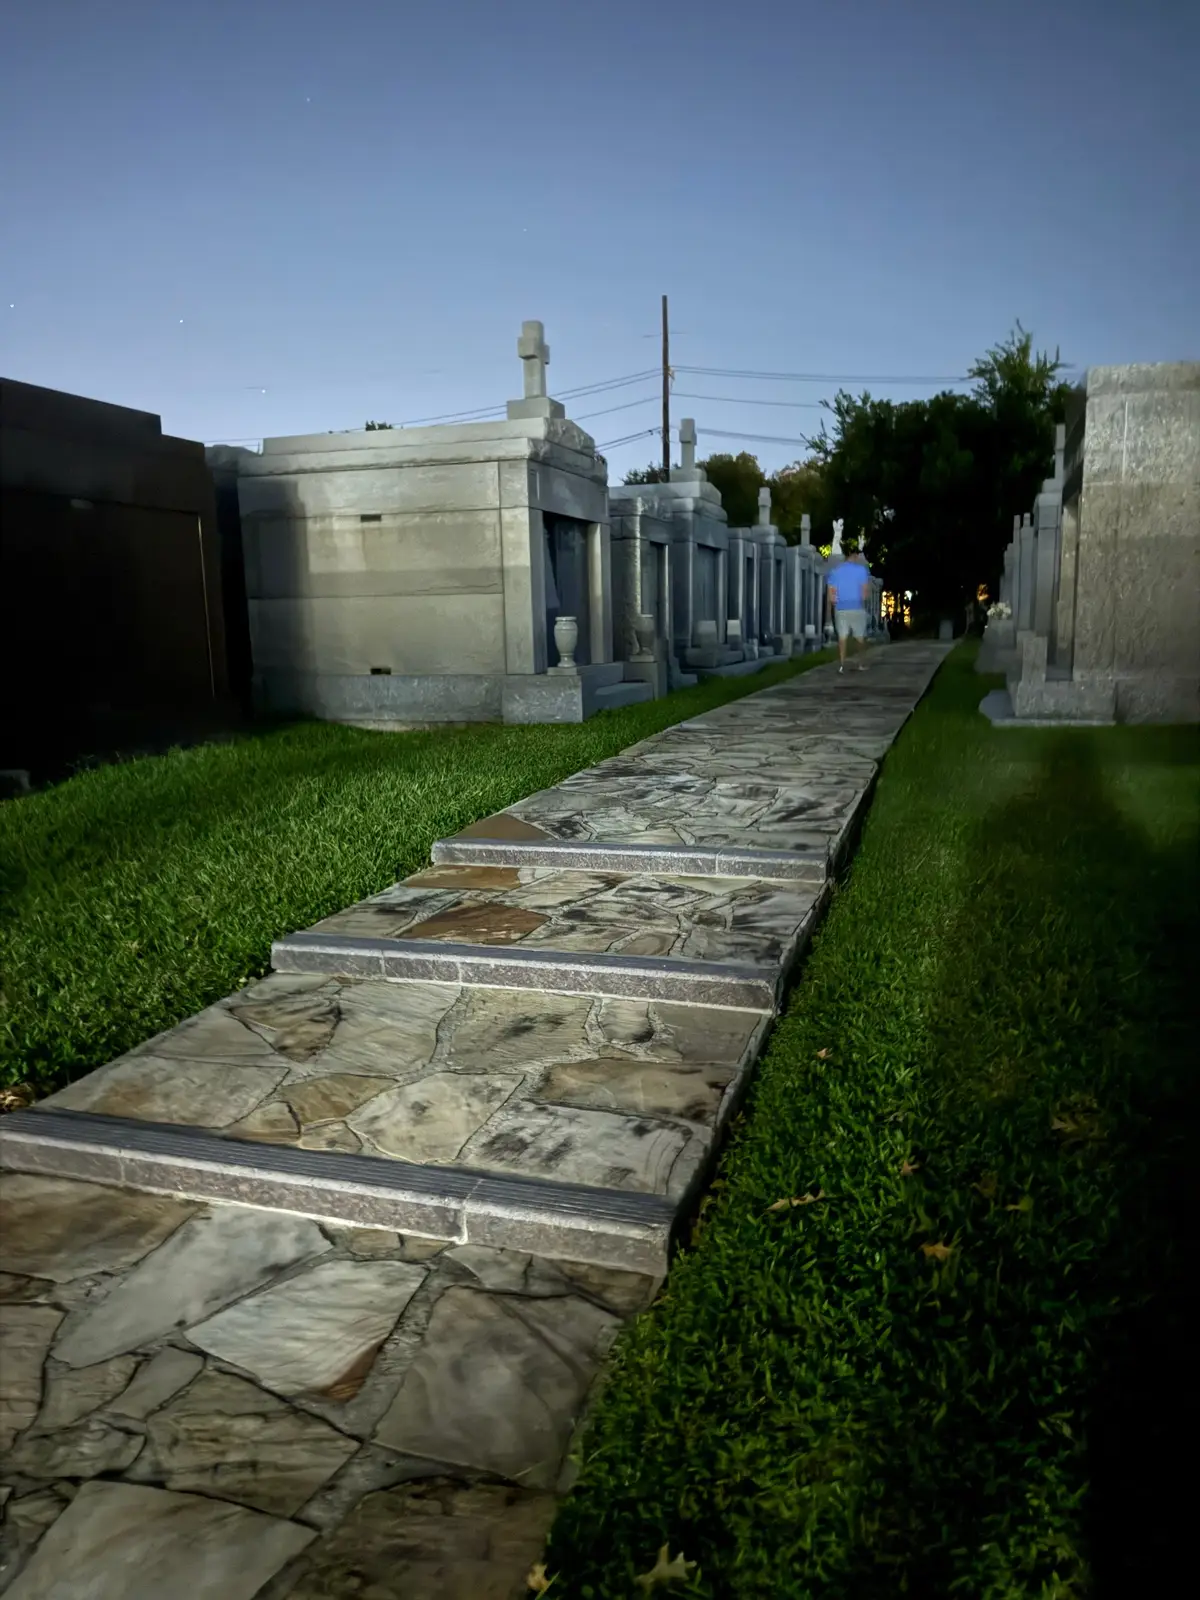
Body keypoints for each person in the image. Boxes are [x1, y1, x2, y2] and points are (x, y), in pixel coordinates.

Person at [827, 547, 871, 672]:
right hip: (856, 607)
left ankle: (841, 664)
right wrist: (862, 599)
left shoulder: (835, 571)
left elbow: (831, 593)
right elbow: (864, 592)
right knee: (860, 637)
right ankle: (861, 664)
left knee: (842, 637)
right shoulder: (861, 570)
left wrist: (834, 603)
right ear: (856, 556)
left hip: (841, 608)